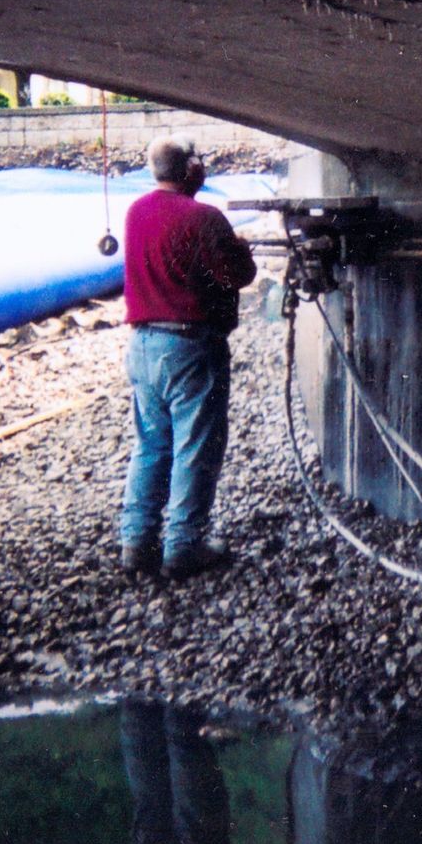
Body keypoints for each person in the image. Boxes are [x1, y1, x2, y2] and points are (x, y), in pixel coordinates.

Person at [119, 134, 256, 581]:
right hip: (190, 347)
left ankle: (137, 543)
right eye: (201, 160)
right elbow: (238, 275)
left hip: (142, 346)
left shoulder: (136, 211)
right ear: (190, 169)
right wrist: (238, 248)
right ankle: (183, 546)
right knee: (196, 446)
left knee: (152, 446)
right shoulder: (204, 217)